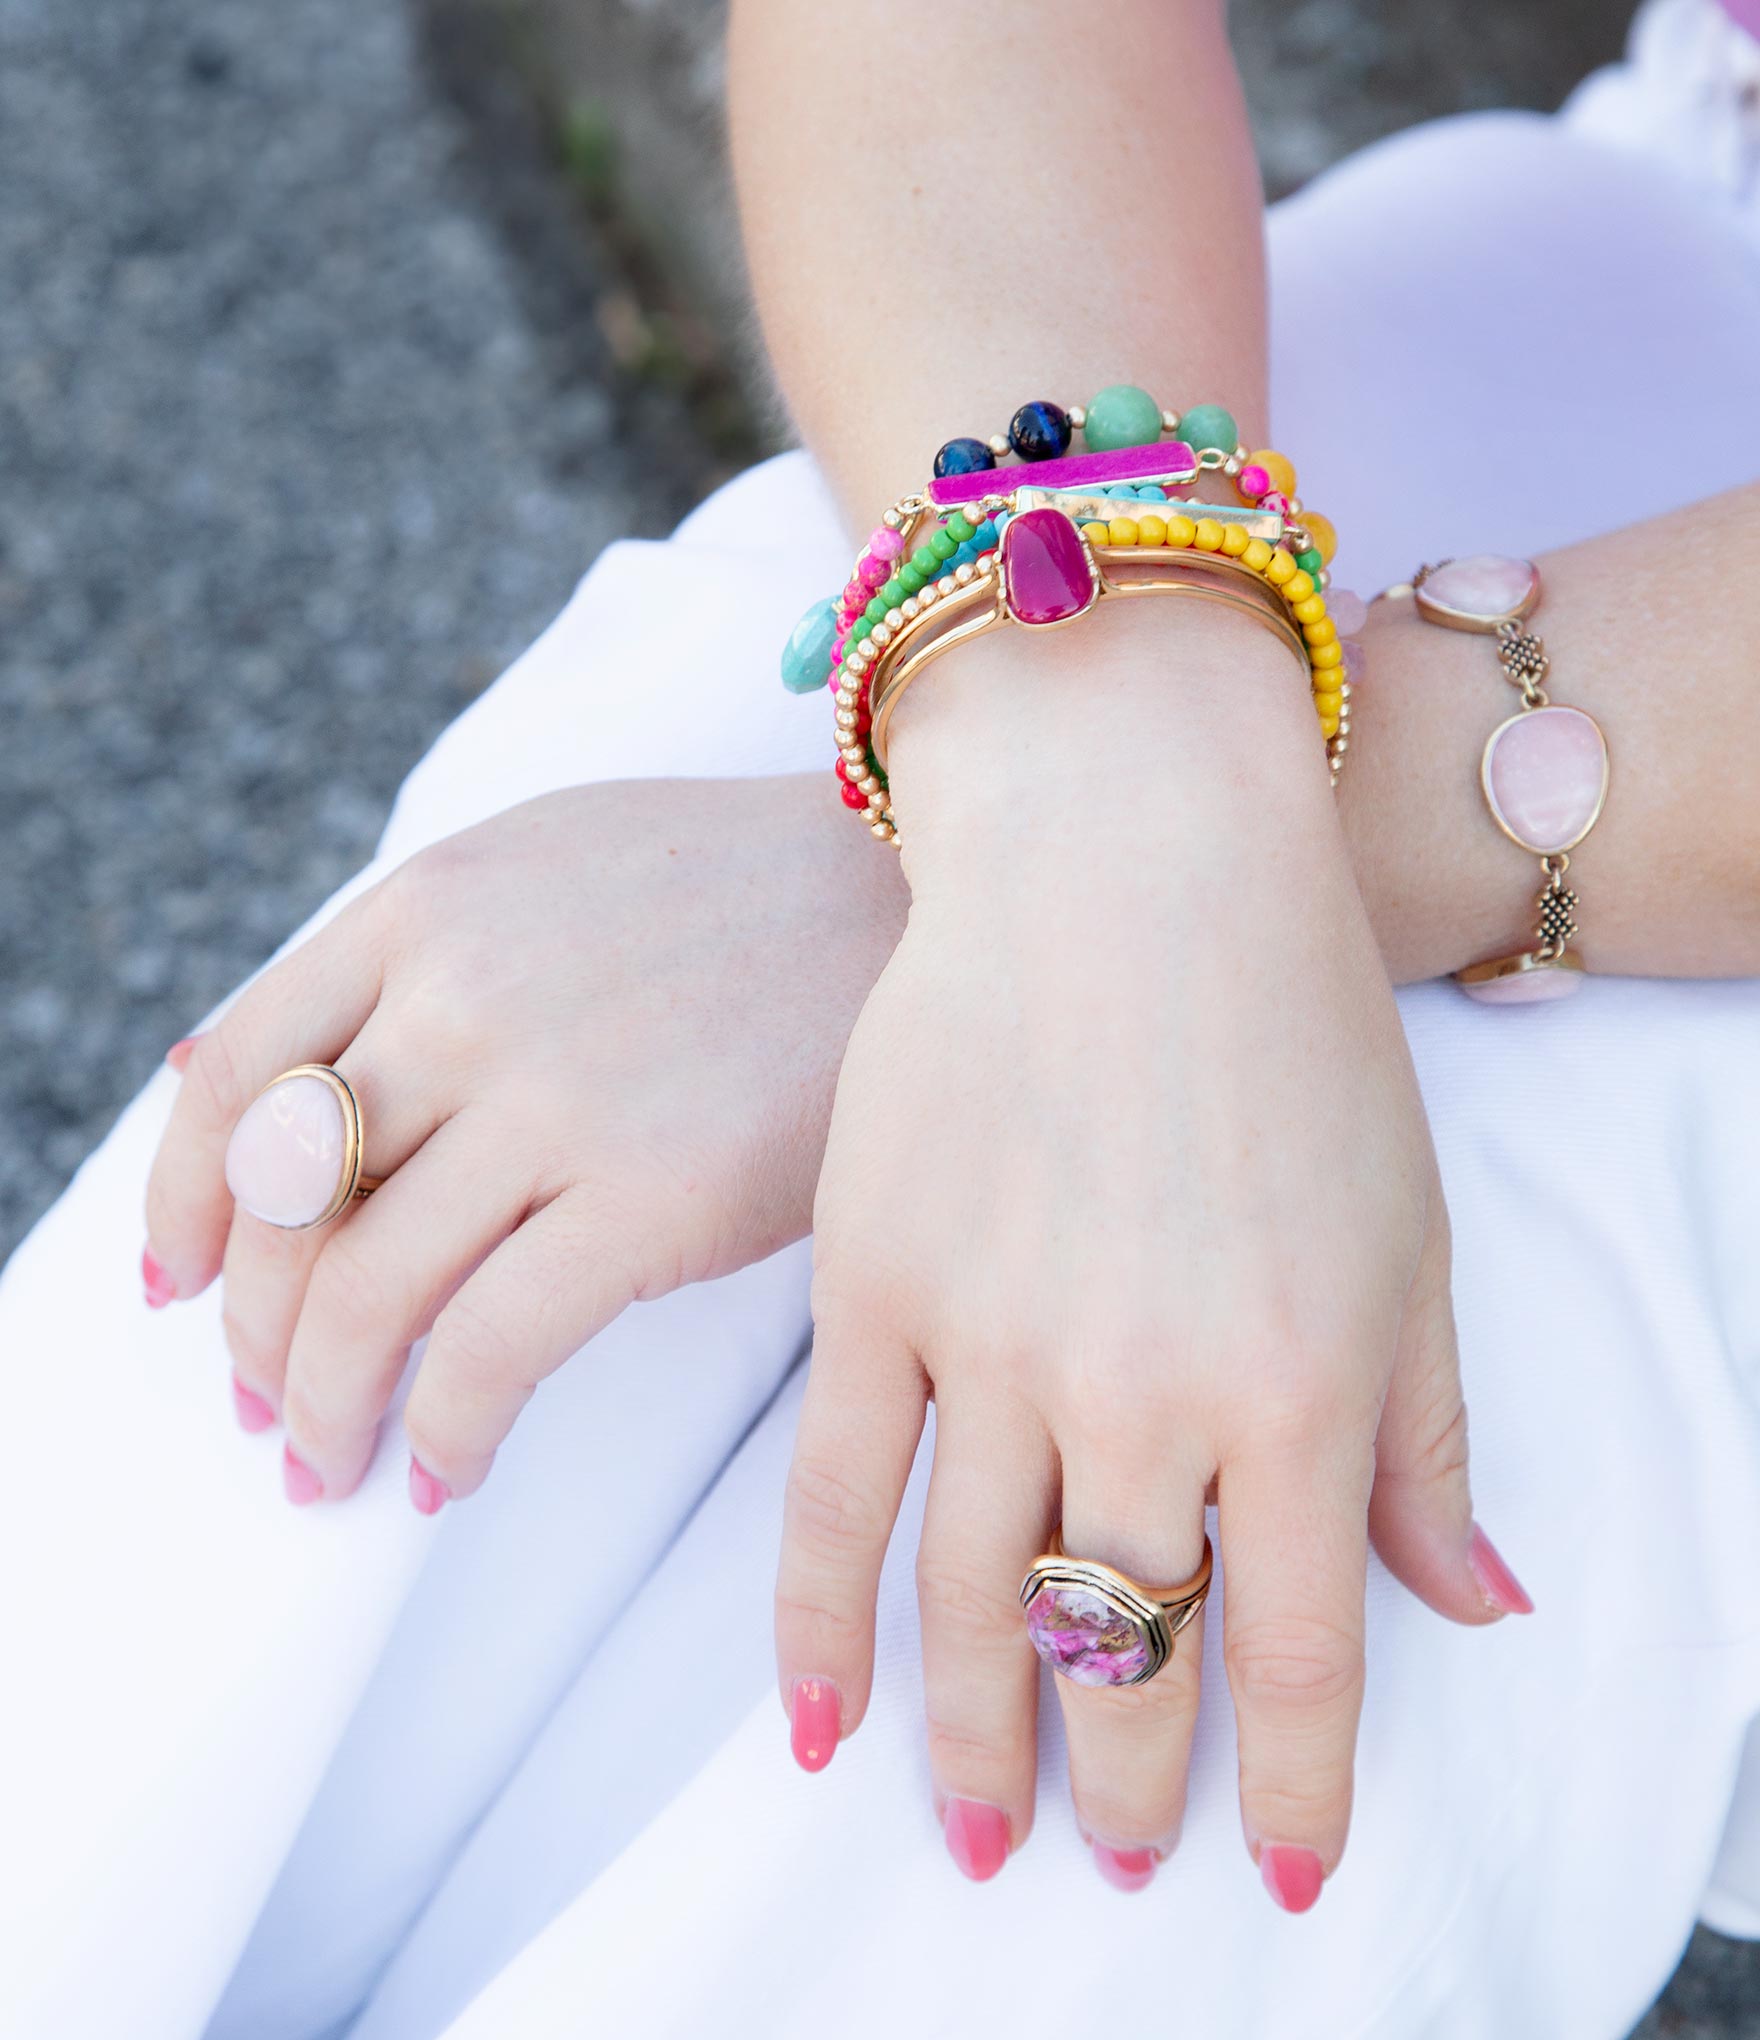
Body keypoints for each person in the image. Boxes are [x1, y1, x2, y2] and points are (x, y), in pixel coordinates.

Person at [4, 1, 1759, 2034]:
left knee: (1303, 1392)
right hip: (1666, 260)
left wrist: (1150, 866)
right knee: (496, 1254)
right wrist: (1084, 790)